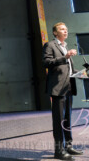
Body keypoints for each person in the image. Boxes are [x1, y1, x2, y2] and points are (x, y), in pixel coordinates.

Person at [42, 22, 83, 160]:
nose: (65, 31)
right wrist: (65, 57)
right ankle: (59, 151)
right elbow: (46, 62)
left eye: (66, 29)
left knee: (67, 119)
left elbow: (70, 69)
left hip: (69, 87)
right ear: (55, 32)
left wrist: (82, 73)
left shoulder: (65, 47)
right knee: (58, 120)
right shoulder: (50, 45)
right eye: (62, 29)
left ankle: (69, 146)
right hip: (58, 88)